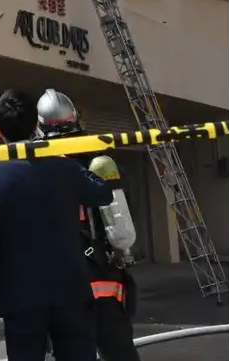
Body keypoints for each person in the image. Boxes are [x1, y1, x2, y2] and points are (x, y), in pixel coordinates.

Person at [0, 89, 114, 361]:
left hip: (19, 298)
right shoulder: (65, 167)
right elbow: (102, 193)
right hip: (70, 290)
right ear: (36, 124)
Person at [37, 89, 142, 361]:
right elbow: (122, 236)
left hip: (60, 288)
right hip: (105, 281)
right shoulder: (99, 163)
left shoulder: (34, 170)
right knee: (119, 353)